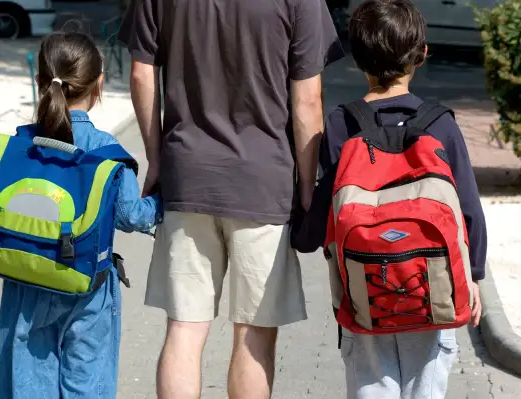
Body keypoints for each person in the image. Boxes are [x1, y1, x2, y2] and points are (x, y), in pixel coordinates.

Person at [119, 0, 344, 397]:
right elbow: (308, 98)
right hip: (264, 181)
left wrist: (156, 158)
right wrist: (307, 186)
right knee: (253, 331)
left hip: (186, 176)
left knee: (184, 327)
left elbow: (141, 73)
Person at [292, 0, 487, 398]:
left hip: (363, 287)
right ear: (422, 55)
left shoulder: (341, 122)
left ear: (356, 60)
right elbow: (468, 207)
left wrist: (303, 236)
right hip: (435, 289)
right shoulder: (441, 124)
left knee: (370, 385)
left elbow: (328, 199)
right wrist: (475, 275)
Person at [0, 31, 163, 398]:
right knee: (88, 379)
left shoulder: (22, 144)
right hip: (89, 285)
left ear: (40, 81)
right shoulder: (106, 150)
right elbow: (131, 216)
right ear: (98, 84)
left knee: (29, 378)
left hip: (28, 279)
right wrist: (161, 204)